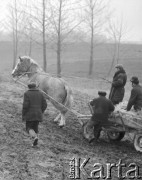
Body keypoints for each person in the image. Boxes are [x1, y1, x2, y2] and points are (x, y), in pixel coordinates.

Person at [22, 82, 47, 147]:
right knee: (35, 128)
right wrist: (41, 111)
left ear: (29, 87)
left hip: (30, 114)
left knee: (28, 128)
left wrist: (23, 114)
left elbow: (25, 105)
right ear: (35, 86)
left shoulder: (27, 93)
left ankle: (35, 137)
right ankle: (35, 143)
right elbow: (45, 104)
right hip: (38, 114)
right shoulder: (41, 93)